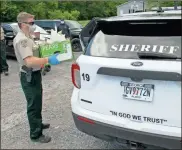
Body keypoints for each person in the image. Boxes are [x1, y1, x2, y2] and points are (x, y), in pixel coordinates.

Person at [13, 12, 61, 143]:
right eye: (31, 23)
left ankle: (38, 124)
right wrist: (47, 59)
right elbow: (28, 61)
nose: (34, 25)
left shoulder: (28, 37)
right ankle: (36, 134)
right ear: (23, 24)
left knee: (38, 101)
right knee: (33, 105)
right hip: (29, 76)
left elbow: (37, 48)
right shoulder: (22, 39)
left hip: (35, 74)